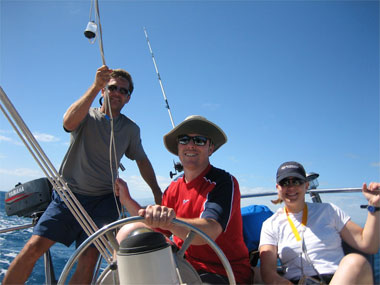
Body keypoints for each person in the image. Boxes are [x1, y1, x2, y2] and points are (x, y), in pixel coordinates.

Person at [3, 65, 162, 284]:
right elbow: (68, 123)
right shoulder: (86, 115)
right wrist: (95, 86)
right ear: (104, 90)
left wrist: (156, 191)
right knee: (33, 247)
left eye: (124, 91)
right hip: (68, 196)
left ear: (128, 99)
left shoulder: (130, 130)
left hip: (104, 201)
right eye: (113, 87)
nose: (117, 93)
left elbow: (142, 160)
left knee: (89, 259)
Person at [114, 115, 252, 284]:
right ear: (178, 148)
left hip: (222, 270)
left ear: (210, 148)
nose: (191, 145)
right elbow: (157, 226)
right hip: (182, 264)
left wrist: (170, 222)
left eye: (199, 140)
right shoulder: (173, 187)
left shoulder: (223, 182)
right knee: (128, 230)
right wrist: (127, 199)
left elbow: (209, 232)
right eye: (184, 140)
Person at [259, 161, 380, 285]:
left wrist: (374, 207)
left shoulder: (329, 211)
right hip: (297, 282)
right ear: (277, 188)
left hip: (338, 279)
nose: (291, 187)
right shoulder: (270, 225)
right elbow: (268, 272)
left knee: (356, 261)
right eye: (285, 183)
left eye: (296, 181)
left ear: (306, 185)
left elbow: (368, 245)